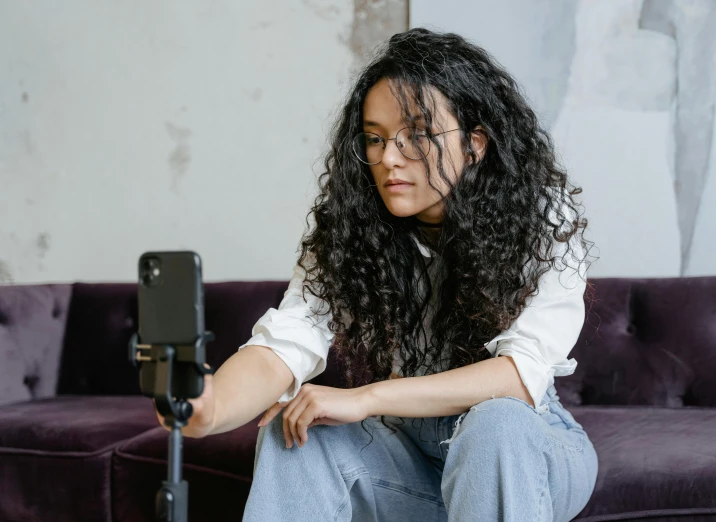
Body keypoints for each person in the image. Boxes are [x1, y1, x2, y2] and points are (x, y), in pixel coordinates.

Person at [156, 28, 598, 522]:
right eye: (375, 138)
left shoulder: (541, 218)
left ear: (475, 143)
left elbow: (519, 377)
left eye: (417, 135)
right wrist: (209, 407)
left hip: (524, 456)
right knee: (297, 427)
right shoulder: (352, 231)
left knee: (496, 423)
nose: (389, 157)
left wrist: (366, 397)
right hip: (411, 463)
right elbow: (287, 342)